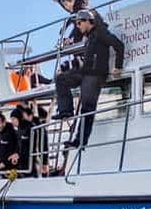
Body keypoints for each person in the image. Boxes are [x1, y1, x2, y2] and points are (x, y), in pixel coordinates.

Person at [53, 10, 125, 148]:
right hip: (85, 71)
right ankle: (66, 111)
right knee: (61, 79)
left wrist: (118, 67)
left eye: (79, 23)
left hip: (95, 74)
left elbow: (119, 45)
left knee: (87, 108)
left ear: (87, 21)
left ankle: (80, 141)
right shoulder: (90, 37)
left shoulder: (101, 32)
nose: (78, 26)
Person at [10, 107, 33, 173]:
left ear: (19, 118)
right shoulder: (19, 130)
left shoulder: (29, 128)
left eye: (13, 119)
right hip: (22, 160)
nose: (12, 122)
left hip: (30, 160)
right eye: (11, 120)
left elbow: (30, 146)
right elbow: (19, 145)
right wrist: (16, 154)